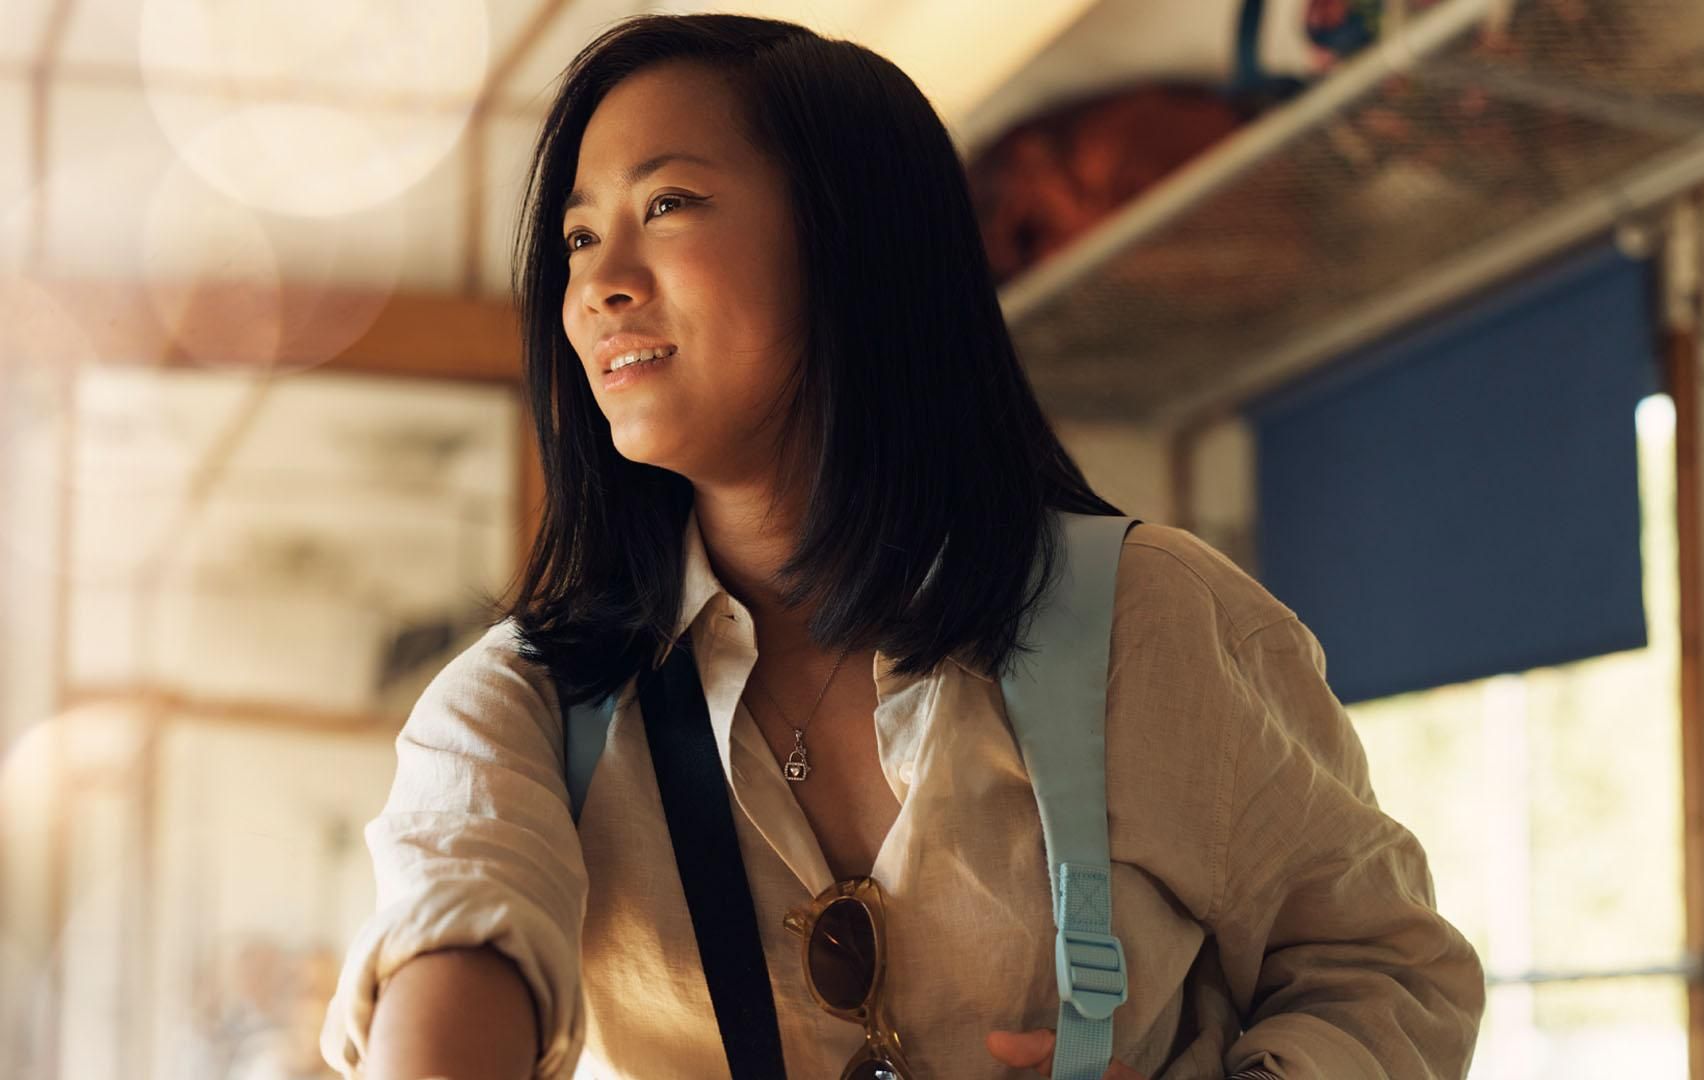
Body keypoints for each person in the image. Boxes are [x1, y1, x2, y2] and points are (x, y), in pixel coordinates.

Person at [318, 13, 1484, 1080]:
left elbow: (1389, 974)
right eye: (577, 237)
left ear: (849, 238)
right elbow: (457, 919)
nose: (600, 285)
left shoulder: (1155, 622)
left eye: (667, 205)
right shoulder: (524, 708)